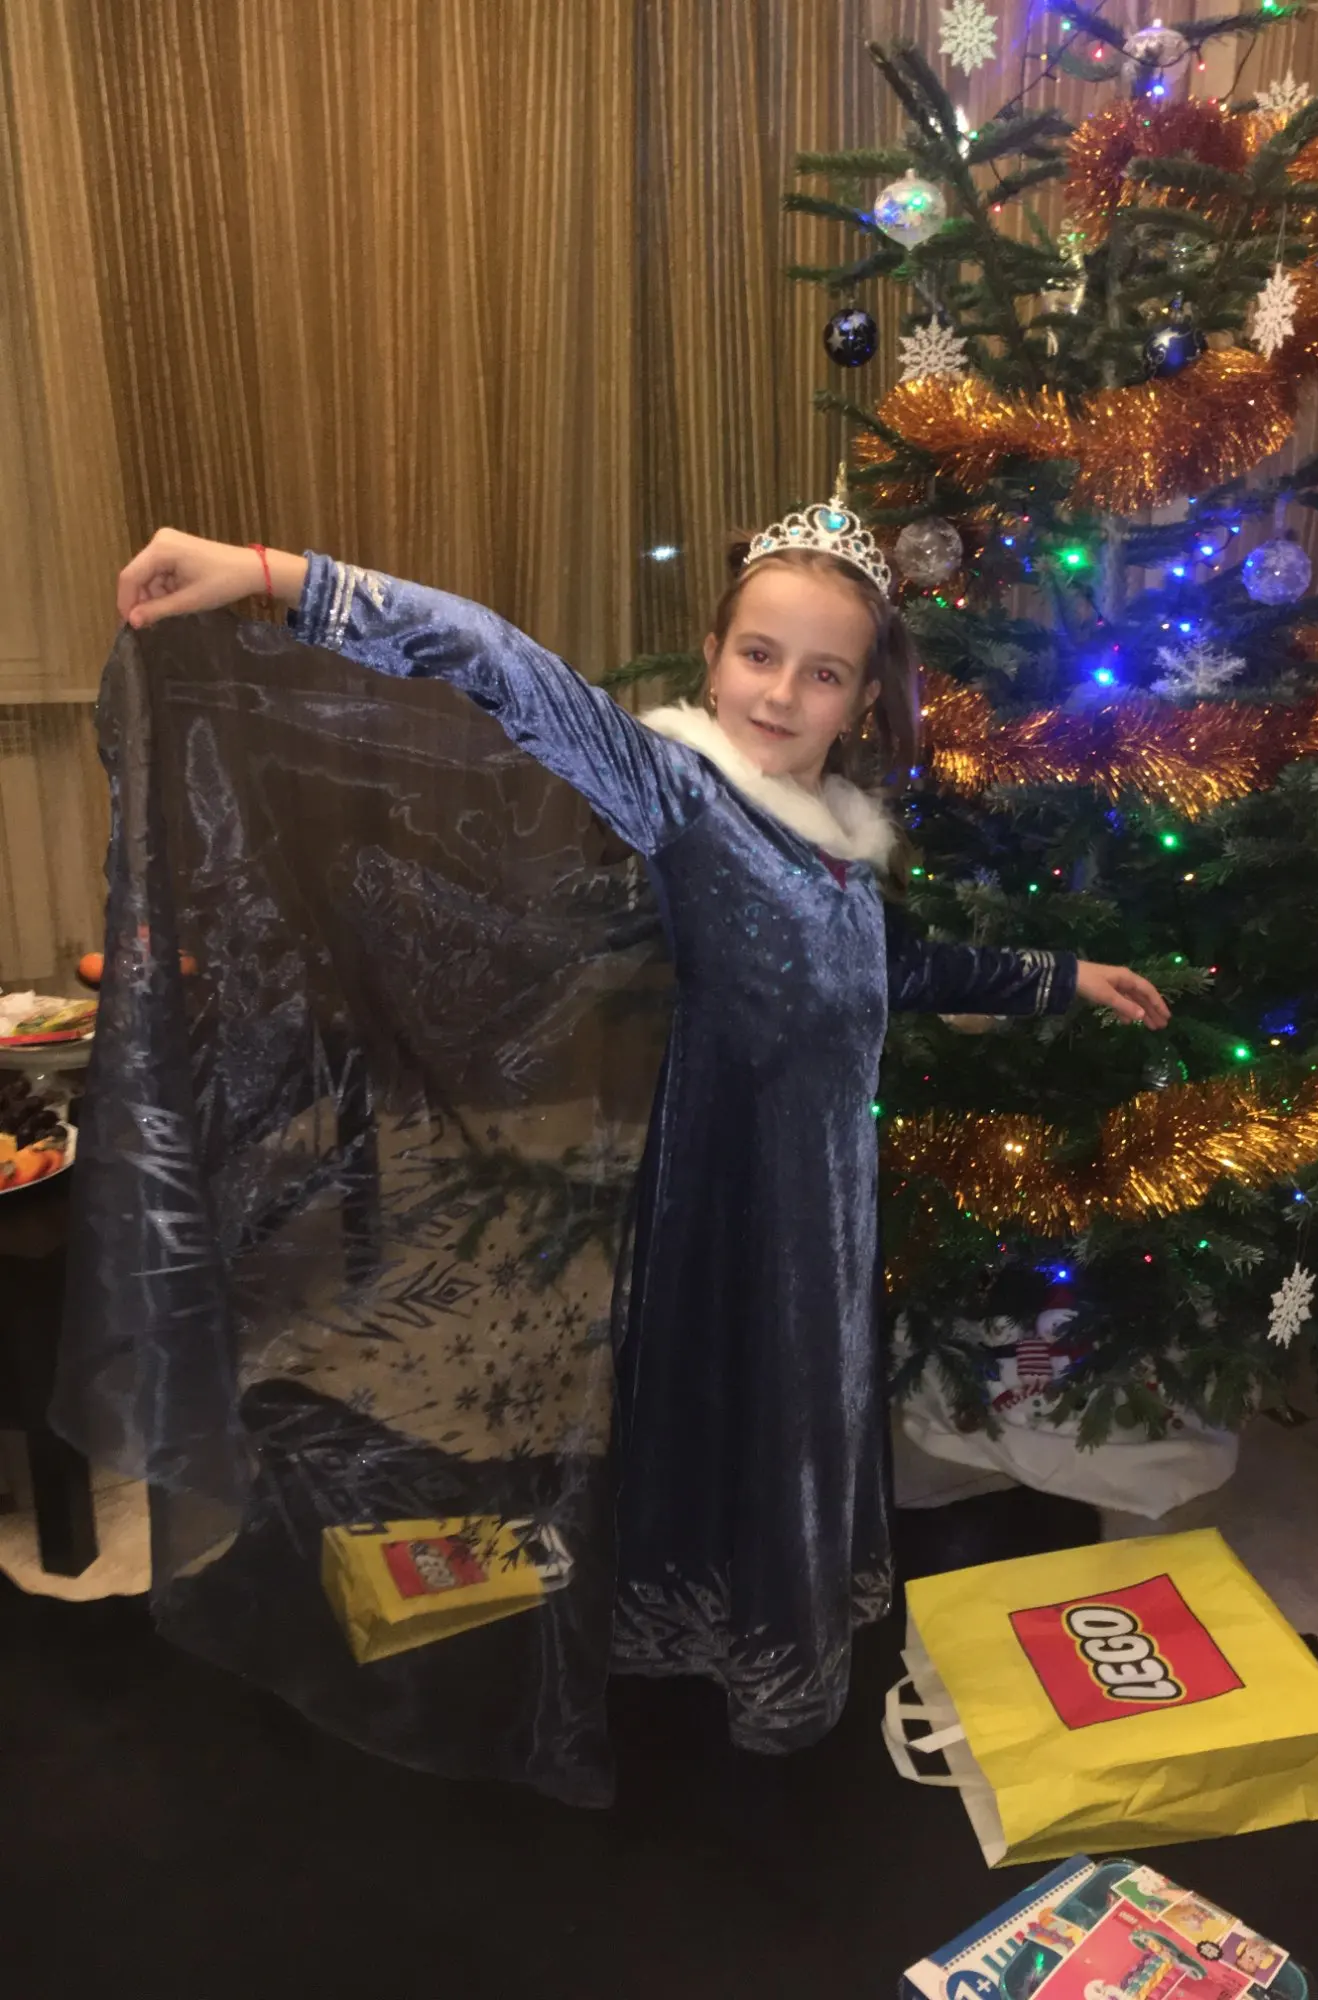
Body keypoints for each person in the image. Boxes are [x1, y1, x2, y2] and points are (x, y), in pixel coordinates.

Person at [115, 499, 1168, 1757]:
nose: (780, 693)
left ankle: (773, 1606)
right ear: (714, 657)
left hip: (824, 1208)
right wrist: (269, 572)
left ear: (859, 701)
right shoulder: (683, 795)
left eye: (822, 673)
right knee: (737, 1407)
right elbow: (501, 662)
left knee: (800, 1414)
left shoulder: (836, 840)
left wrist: (1061, 975)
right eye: (759, 654)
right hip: (727, 1196)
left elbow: (896, 967)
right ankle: (731, 1636)